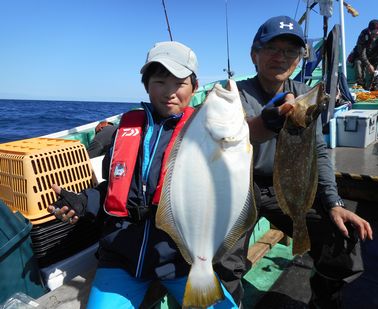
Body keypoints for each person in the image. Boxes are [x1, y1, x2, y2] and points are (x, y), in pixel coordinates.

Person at [47, 41, 239, 309]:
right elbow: (114, 188)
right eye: (160, 82)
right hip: (120, 259)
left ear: (195, 87)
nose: (170, 92)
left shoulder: (206, 134)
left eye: (179, 84)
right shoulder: (125, 130)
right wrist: (84, 201)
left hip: (180, 259)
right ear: (146, 85)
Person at [217, 16, 373, 309]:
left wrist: (333, 201)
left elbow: (318, 150)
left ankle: (322, 303)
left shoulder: (304, 94)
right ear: (254, 54)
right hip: (240, 190)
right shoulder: (232, 95)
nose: (281, 57)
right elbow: (227, 141)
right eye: (272, 48)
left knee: (340, 237)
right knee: (223, 260)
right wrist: (266, 121)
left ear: (300, 58)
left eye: (291, 51)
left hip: (289, 189)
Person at [349, 19, 378, 90]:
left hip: (376, 56)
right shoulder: (363, 34)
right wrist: (368, 65)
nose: (373, 35)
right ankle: (361, 84)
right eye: (371, 32)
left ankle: (377, 83)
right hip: (363, 57)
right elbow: (361, 52)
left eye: (375, 33)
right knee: (358, 62)